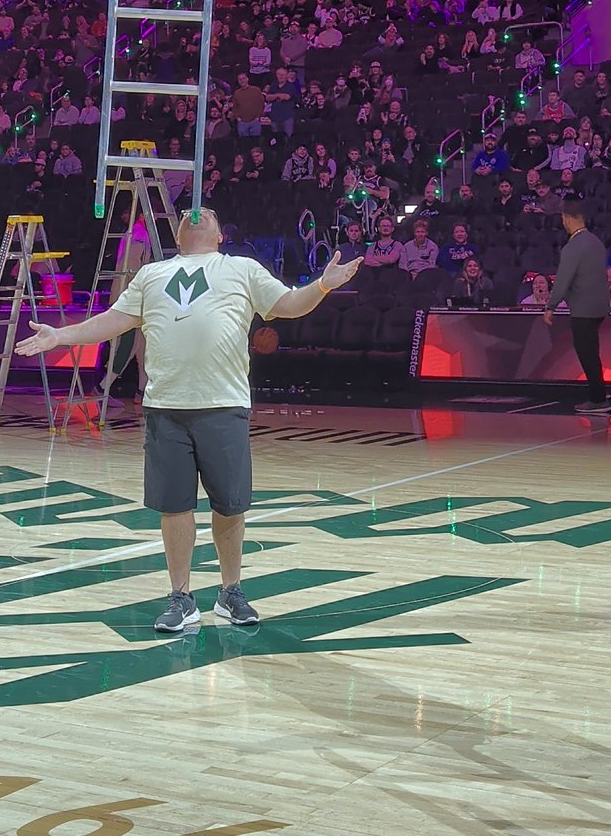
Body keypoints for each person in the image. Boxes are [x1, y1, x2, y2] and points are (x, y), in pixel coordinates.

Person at [18, 207, 361, 633]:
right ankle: (180, 596)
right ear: (178, 236)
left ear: (219, 235)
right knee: (175, 507)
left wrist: (323, 286)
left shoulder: (241, 268)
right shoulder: (152, 274)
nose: (195, 214)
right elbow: (113, 322)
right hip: (166, 408)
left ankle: (230, 591)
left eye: (208, 214)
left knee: (230, 506)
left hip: (224, 405)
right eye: (187, 214)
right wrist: (61, 334)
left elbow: (288, 305)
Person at [546, 205, 611, 415]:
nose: (563, 223)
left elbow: (563, 280)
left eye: (563, 219)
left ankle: (598, 399)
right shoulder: (596, 242)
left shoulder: (573, 247)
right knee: (592, 351)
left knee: (587, 352)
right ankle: (599, 389)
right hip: (600, 306)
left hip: (583, 308)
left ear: (568, 218)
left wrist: (551, 306)